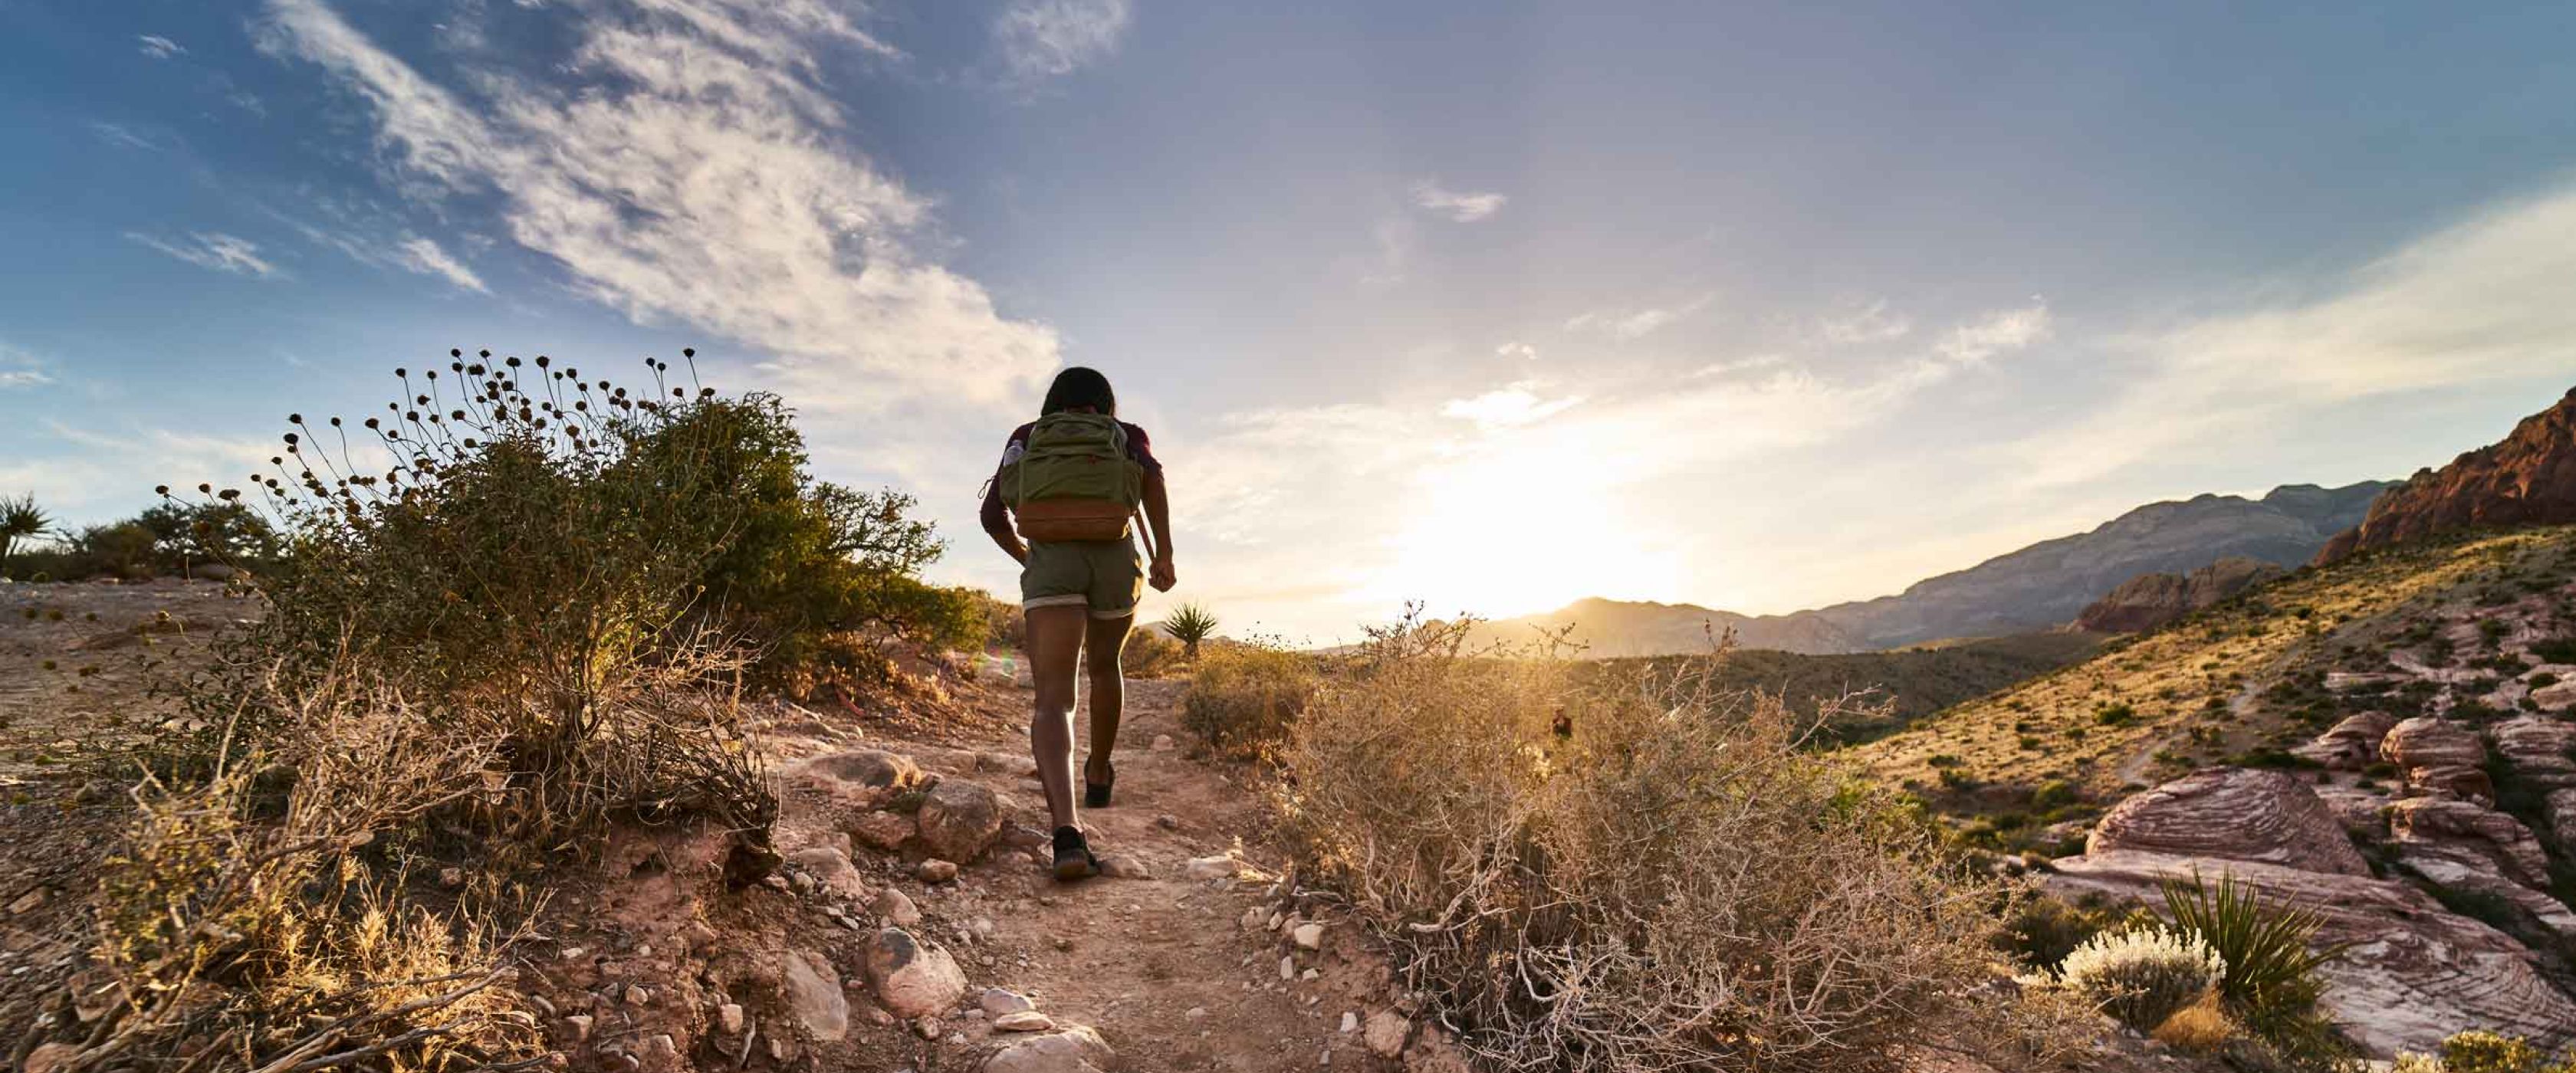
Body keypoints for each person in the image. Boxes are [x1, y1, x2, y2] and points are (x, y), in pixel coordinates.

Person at [981, 367, 1176, 880]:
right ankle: (1097, 772)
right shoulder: (1127, 435)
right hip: (1114, 559)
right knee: (1106, 666)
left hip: (1053, 565)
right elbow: (1152, 480)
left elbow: (992, 516)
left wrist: (1029, 559)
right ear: (1105, 402)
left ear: (1054, 401)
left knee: (1052, 699)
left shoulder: (1027, 437)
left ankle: (1067, 832)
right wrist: (1165, 556)